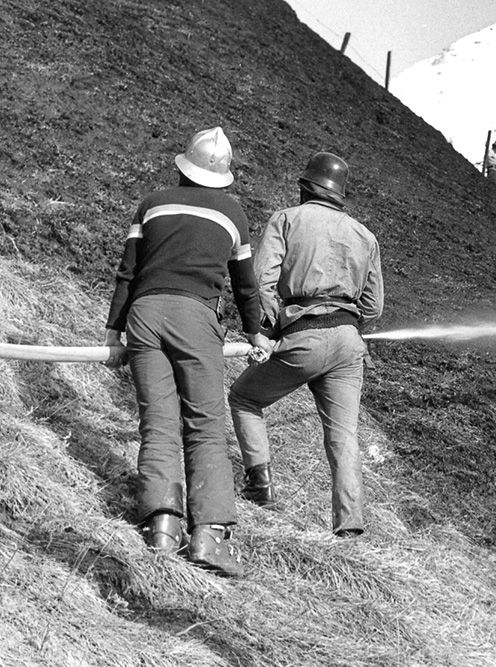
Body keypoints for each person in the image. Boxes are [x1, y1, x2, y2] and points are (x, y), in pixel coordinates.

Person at [104, 127, 271, 577]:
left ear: (184, 165)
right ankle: (209, 536)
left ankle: (162, 528)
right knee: (205, 426)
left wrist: (112, 333)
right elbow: (246, 286)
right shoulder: (233, 214)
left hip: (144, 315)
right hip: (197, 320)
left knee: (157, 423)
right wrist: (256, 334)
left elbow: (127, 272)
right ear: (223, 175)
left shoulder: (152, 203)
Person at [228, 152, 384, 538]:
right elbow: (373, 306)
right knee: (343, 434)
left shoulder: (286, 219)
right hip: (349, 345)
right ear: (339, 195)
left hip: (302, 338)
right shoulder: (365, 236)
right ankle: (349, 526)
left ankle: (260, 486)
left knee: (244, 398)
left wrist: (269, 327)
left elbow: (260, 283)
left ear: (304, 188)